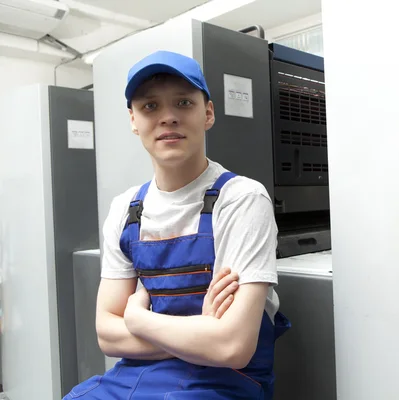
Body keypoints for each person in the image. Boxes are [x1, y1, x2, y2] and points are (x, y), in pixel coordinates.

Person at [64, 50, 290, 400]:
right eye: (150, 106)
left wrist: (140, 322)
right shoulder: (126, 209)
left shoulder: (240, 199)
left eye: (184, 103)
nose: (168, 117)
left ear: (208, 113)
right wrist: (201, 332)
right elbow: (107, 335)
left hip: (223, 381)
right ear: (133, 120)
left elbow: (232, 347)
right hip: (134, 376)